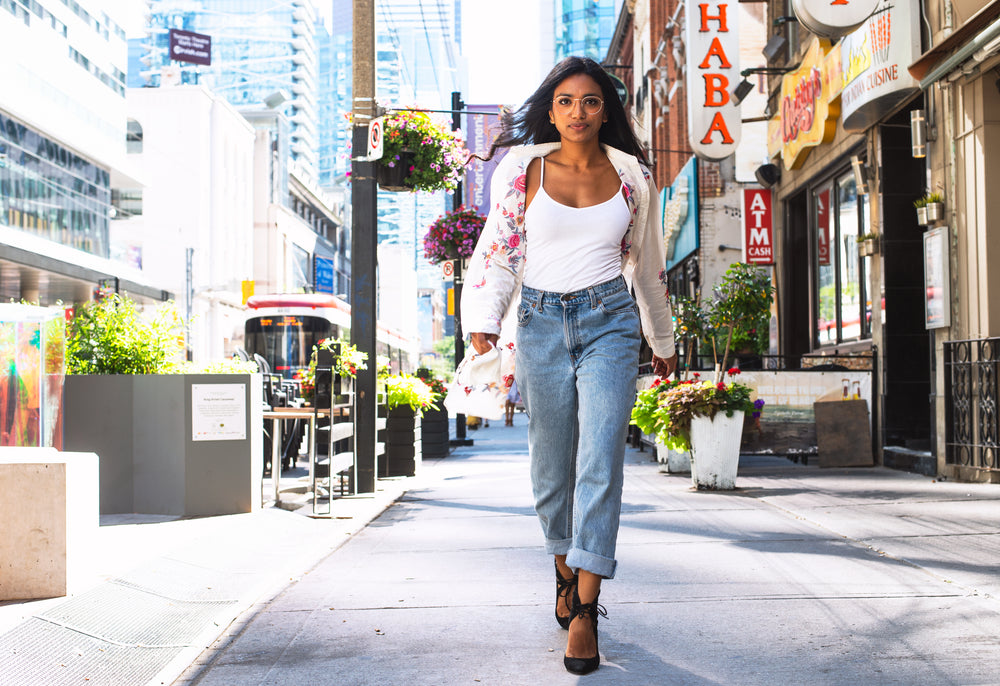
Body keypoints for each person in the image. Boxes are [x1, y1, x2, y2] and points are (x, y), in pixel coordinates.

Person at [461, 56, 677, 675]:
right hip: (538, 325)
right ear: (550, 110)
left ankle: (585, 610)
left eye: (588, 101)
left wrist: (661, 339)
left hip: (610, 321)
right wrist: (482, 317)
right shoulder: (523, 170)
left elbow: (649, 264)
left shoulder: (632, 175)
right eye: (565, 102)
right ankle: (564, 565)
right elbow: (499, 254)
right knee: (551, 468)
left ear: (605, 109)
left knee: (600, 459)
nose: (577, 112)